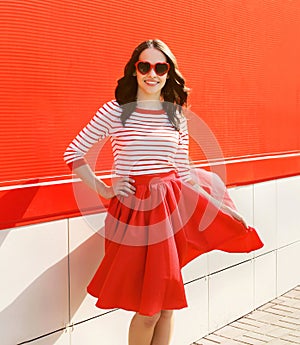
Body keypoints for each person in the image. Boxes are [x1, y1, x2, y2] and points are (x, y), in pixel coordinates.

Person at [64, 39, 263, 345]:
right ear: (134, 71)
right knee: (149, 311)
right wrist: (105, 187)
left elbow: (185, 174)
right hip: (135, 214)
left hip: (172, 211)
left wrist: (223, 209)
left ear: (169, 73)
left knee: (167, 307)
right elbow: (74, 153)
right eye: (144, 66)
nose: (152, 73)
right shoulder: (115, 112)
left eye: (160, 67)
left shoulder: (176, 115)